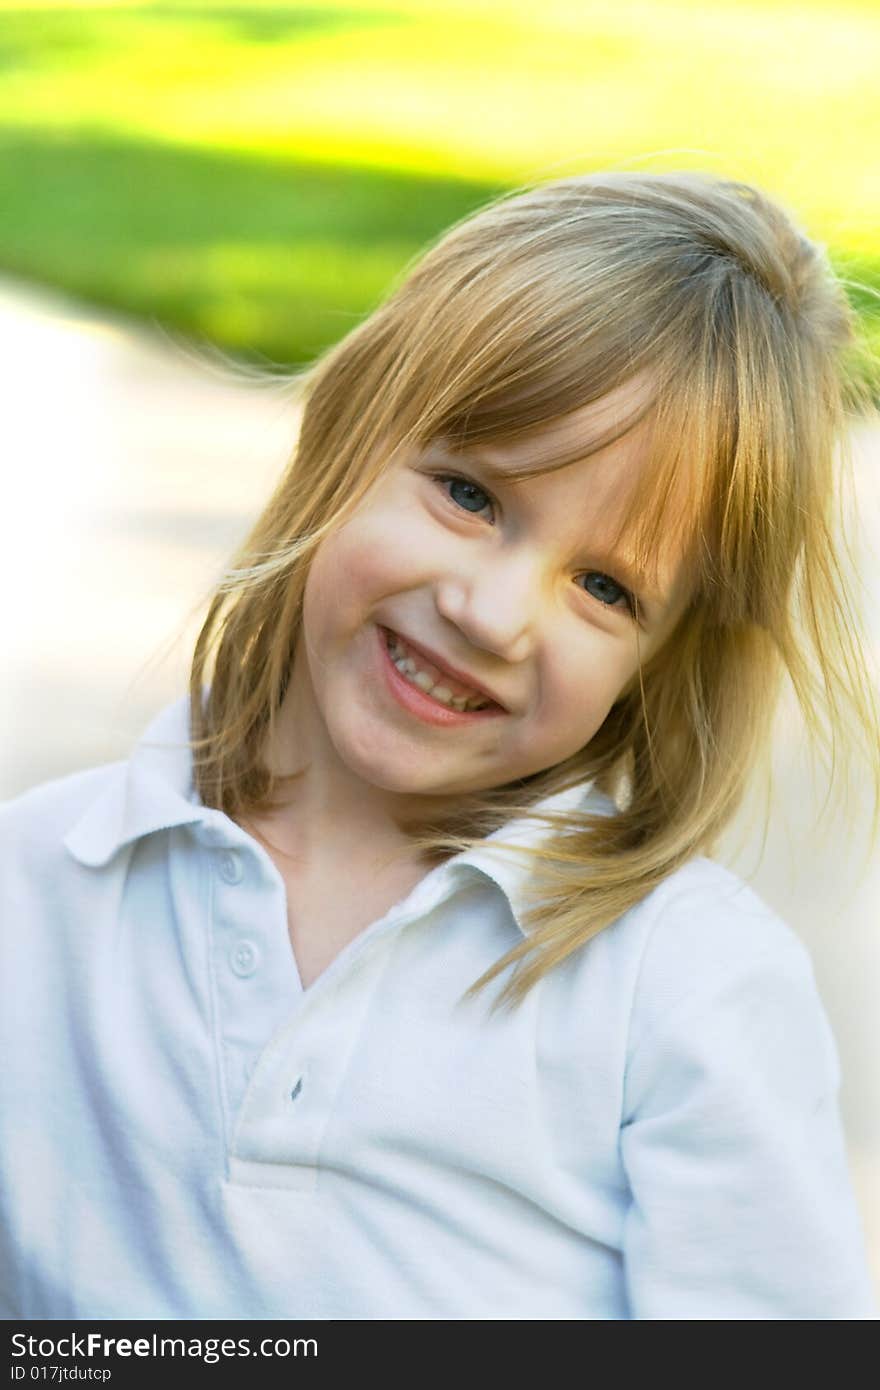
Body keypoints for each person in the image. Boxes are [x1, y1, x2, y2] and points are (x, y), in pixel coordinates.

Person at [2, 169, 878, 1320]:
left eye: (605, 587)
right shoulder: (38, 883)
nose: (495, 612)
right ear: (346, 431)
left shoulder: (680, 987)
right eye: (469, 494)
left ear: (662, 662)